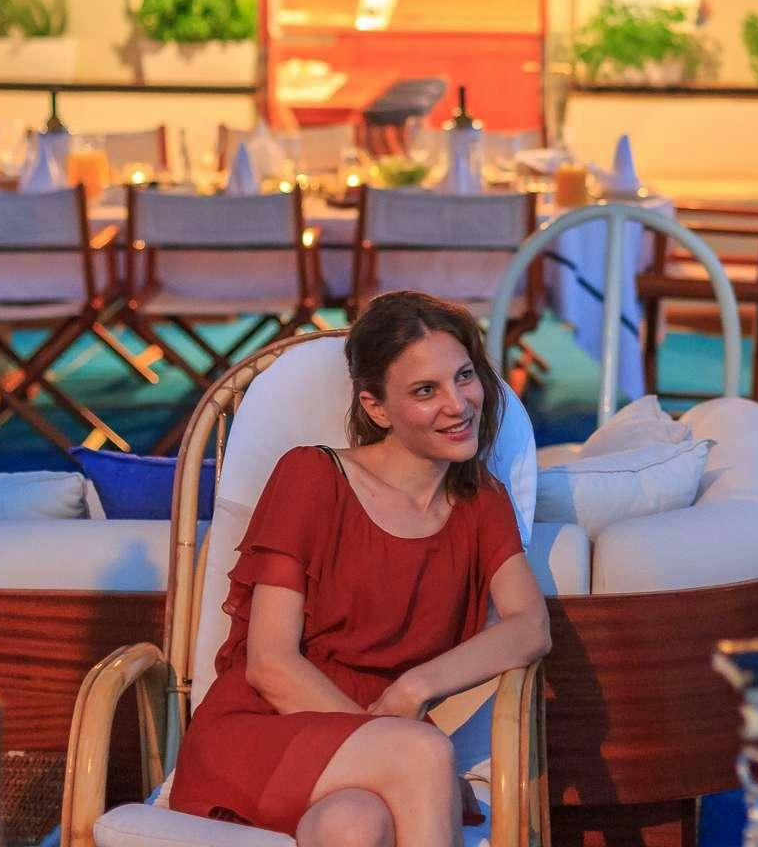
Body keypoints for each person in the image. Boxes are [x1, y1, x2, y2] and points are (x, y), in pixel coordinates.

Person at [168, 290, 550, 845]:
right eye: (425, 390)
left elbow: (530, 627)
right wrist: (404, 743)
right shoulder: (312, 477)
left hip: (376, 749)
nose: (459, 404)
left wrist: (415, 688)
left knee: (352, 826)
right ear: (376, 408)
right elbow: (270, 665)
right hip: (269, 724)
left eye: (464, 376)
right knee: (423, 755)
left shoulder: (480, 503)